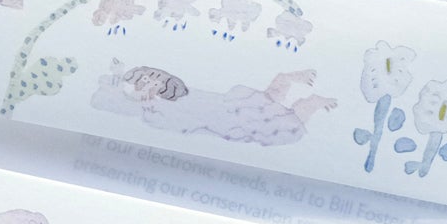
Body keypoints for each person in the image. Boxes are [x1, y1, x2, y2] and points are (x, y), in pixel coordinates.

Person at [90, 62, 334, 146]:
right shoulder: (157, 107)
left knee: (272, 107)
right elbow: (161, 120)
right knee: (272, 106)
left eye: (155, 76)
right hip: (228, 118)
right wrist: (145, 102)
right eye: (147, 83)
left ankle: (295, 87)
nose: (155, 81)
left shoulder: (176, 95)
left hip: (229, 110)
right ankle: (297, 89)